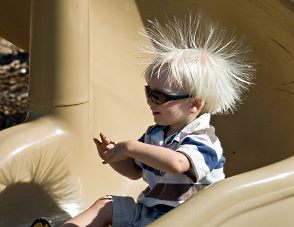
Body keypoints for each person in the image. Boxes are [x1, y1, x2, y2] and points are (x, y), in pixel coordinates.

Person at [62, 14, 254, 227]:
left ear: (194, 104)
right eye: (149, 93)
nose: (150, 102)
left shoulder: (204, 139)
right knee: (107, 204)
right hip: (151, 213)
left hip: (189, 220)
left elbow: (177, 163)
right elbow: (134, 172)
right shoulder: (155, 134)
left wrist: (130, 146)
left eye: (159, 97)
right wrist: (116, 157)